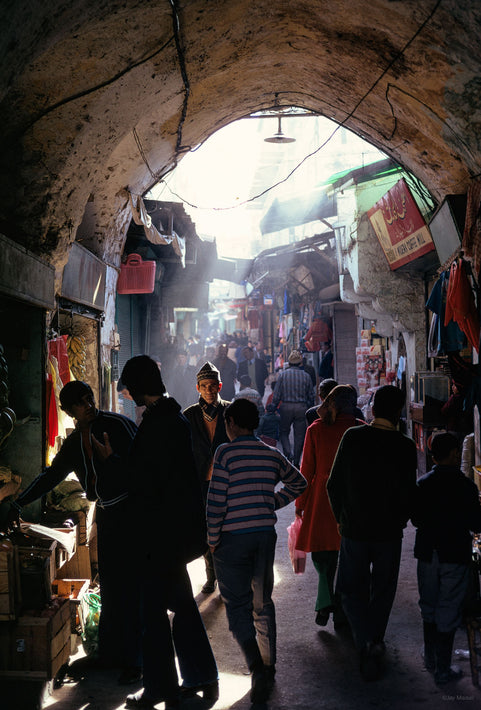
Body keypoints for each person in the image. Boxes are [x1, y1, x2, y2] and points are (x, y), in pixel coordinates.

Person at [101, 355, 218, 710]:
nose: (128, 394)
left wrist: (111, 459)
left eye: (130, 387)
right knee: (181, 606)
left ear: (139, 386)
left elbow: (146, 481)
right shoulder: (171, 418)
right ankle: (201, 676)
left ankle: (159, 687)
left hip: (156, 537)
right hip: (171, 535)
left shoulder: (160, 424)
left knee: (152, 613)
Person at [9, 381, 141, 683]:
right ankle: (110, 654)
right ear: (69, 412)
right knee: (110, 583)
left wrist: (115, 462)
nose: (89, 404)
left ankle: (136, 659)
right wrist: (19, 502)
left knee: (133, 584)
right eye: (81, 402)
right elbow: (51, 476)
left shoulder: (118, 425)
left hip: (131, 514)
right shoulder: (72, 444)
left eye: (89, 398)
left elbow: (141, 469)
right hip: (107, 514)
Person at [207, 399, 307, 704]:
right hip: (263, 536)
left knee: (237, 606)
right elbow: (299, 483)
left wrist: (212, 540)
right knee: (262, 603)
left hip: (232, 538)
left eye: (227, 422)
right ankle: (269, 664)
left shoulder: (224, 453)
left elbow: (216, 501)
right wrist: (271, 503)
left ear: (234, 422)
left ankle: (255, 667)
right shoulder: (270, 454)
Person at [327, 385, 417, 681]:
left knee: (350, 589)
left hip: (354, 529)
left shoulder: (353, 437)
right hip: (389, 533)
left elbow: (333, 484)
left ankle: (365, 639)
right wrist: (400, 519)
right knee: (383, 589)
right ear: (399, 412)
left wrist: (342, 517)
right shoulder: (404, 446)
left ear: (373, 409)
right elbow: (408, 493)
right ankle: (374, 639)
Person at [411, 431, 481, 686]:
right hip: (455, 553)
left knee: (428, 605)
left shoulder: (423, 483)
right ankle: (442, 668)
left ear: (432, 455)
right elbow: (476, 523)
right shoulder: (466, 486)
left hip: (428, 553)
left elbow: (416, 520)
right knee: (449, 608)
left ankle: (430, 658)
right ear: (454, 454)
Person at [296, 385, 362, 629]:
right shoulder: (360, 429)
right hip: (353, 500)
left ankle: (324, 603)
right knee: (348, 557)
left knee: (323, 557)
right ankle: (342, 610)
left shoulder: (316, 429)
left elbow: (307, 470)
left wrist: (300, 503)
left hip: (322, 499)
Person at [183, 361, 231, 594]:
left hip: (226, 481)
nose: (209, 390)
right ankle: (211, 576)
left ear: (220, 386)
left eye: (213, 385)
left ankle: (225, 576)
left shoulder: (230, 411)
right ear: (198, 388)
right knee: (205, 530)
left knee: (225, 529)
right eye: (204, 386)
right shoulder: (189, 415)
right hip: (199, 481)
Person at [271, 349, 314, 467]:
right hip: (301, 407)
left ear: (289, 363)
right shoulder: (306, 376)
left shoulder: (283, 375)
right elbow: (311, 395)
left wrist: (273, 406)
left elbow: (277, 394)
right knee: (299, 436)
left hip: (286, 407)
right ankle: (296, 461)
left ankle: (287, 453)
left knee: (284, 432)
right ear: (300, 363)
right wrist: (309, 407)